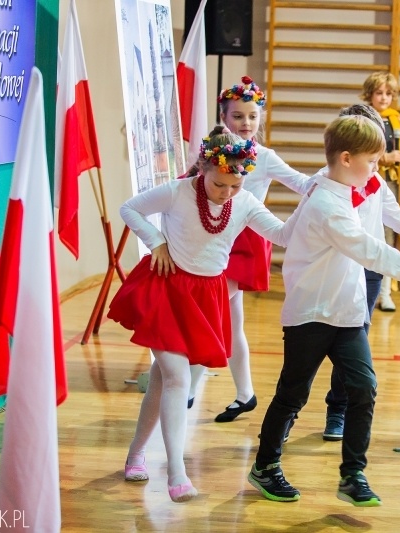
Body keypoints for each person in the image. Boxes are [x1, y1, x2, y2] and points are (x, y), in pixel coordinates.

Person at [248, 115, 400, 506]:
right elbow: (372, 251)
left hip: (346, 312)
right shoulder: (327, 203)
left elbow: (290, 234)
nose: (377, 169)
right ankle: (265, 465)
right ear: (346, 159)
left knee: (363, 388)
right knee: (293, 394)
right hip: (311, 313)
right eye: (372, 161)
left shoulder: (340, 189)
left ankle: (352, 474)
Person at [109, 128, 291, 502]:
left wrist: (315, 208)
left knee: (162, 380)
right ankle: (177, 473)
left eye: (235, 186)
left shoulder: (244, 202)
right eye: (219, 184)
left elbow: (283, 234)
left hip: (205, 298)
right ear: (204, 168)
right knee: (177, 378)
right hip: (166, 288)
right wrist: (156, 242)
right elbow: (130, 207)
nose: (226, 193)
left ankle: (136, 453)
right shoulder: (177, 192)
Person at [316, 103, 400, 441]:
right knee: (316, 343)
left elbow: (398, 216)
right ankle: (289, 410)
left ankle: (338, 409)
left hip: (370, 272)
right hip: (336, 270)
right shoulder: (325, 182)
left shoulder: (375, 181)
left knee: (354, 340)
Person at [207, 76, 314, 424]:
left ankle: (188, 386)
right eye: (238, 116)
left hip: (246, 240)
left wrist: (335, 182)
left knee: (211, 311)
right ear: (224, 117)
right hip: (214, 236)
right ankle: (245, 394)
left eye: (252, 116)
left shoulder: (265, 157)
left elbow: (301, 183)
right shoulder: (213, 149)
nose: (246, 123)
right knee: (230, 319)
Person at [360, 72, 400, 311]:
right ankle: (362, 286)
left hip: (392, 183)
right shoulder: (362, 118)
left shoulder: (397, 119)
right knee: (367, 233)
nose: (384, 98)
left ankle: (385, 292)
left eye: (388, 93)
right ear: (370, 94)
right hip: (366, 183)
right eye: (379, 93)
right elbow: (358, 150)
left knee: (389, 236)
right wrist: (384, 158)